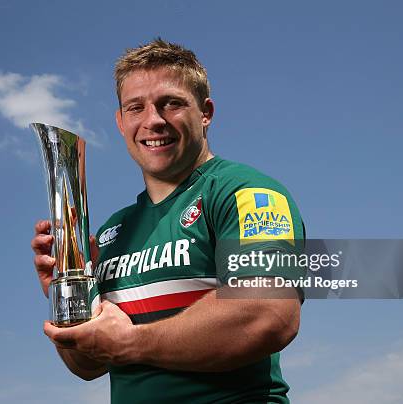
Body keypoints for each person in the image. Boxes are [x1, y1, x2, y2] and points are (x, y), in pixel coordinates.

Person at [31, 38, 305, 403]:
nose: (153, 121)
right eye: (136, 107)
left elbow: (268, 314)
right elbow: (88, 363)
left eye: (171, 103)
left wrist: (133, 342)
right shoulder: (114, 232)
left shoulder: (244, 192)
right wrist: (65, 294)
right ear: (120, 121)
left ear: (205, 112)